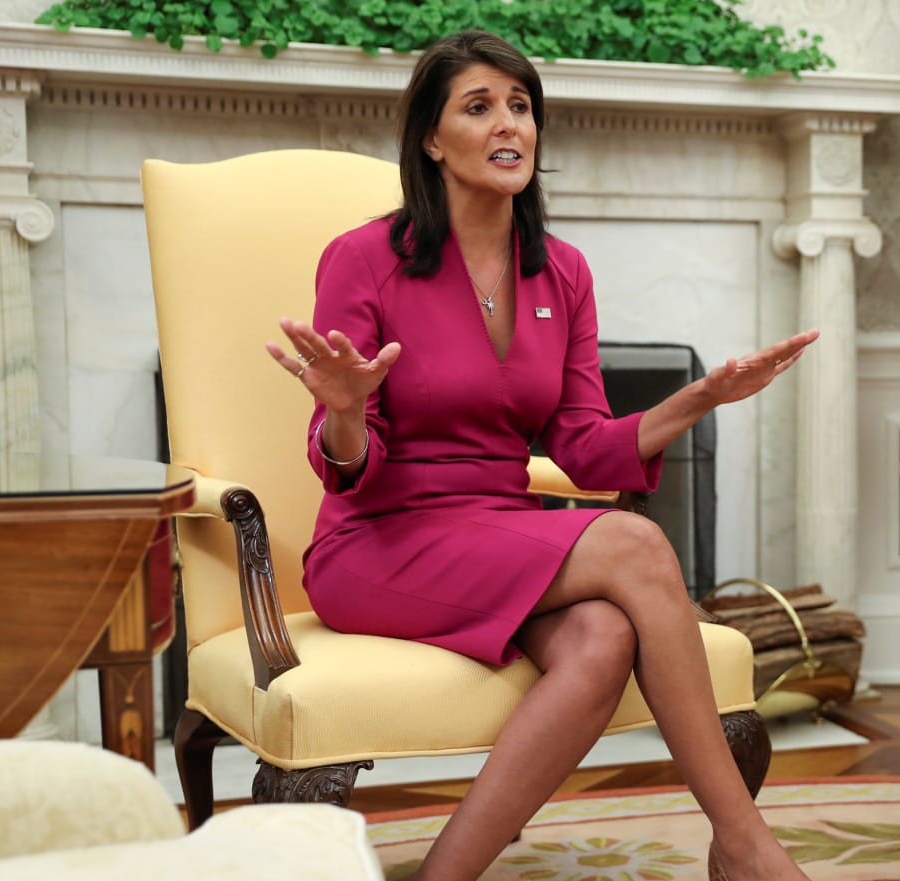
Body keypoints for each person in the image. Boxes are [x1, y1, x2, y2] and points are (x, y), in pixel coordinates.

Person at [263, 30, 817, 881]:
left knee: (601, 635)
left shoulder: (561, 271)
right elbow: (347, 462)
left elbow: (586, 449)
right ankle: (744, 844)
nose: (508, 124)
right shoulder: (363, 259)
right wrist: (342, 409)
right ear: (430, 138)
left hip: (496, 529)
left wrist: (696, 398)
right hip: (377, 539)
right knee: (634, 544)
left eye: (520, 106)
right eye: (479, 107)